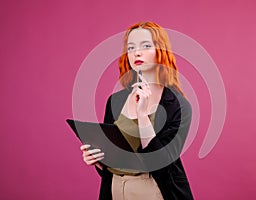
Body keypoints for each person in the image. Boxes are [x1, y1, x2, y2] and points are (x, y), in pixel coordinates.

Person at [80, 22, 194, 200]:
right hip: (115, 190)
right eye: (131, 47)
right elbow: (114, 160)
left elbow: (162, 165)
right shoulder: (115, 101)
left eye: (146, 46)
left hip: (156, 191)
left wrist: (143, 116)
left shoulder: (178, 106)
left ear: (160, 51)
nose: (136, 53)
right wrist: (98, 160)